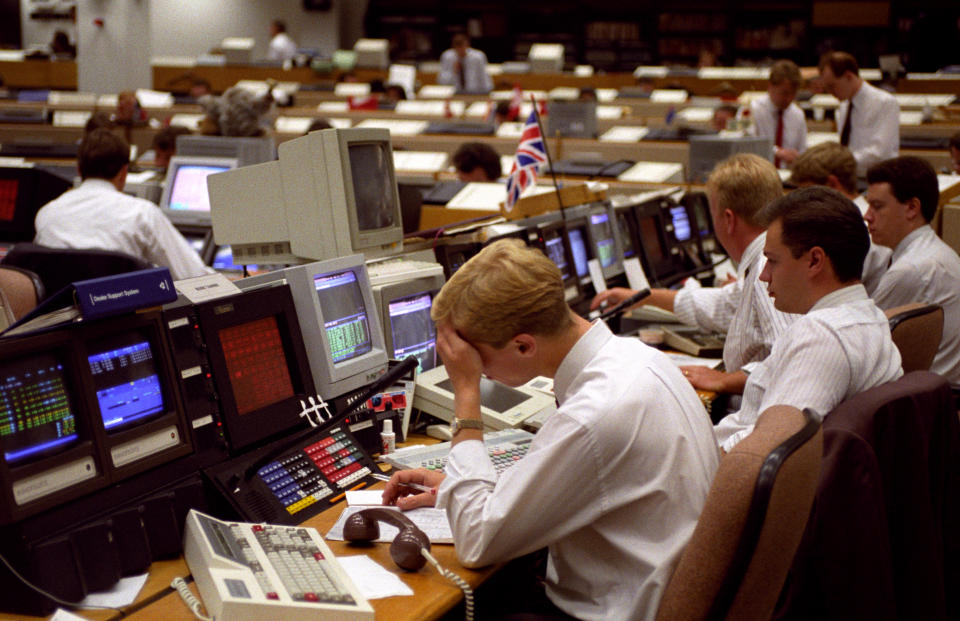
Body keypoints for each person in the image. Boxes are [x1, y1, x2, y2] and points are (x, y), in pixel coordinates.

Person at [383, 240, 719, 621]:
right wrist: (460, 488)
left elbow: (477, 542)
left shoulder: (592, 415)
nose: (476, 369)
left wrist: (466, 391)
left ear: (523, 345)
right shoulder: (637, 359)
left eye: (477, 360)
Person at [714, 186, 903, 452]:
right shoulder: (869, 317)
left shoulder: (821, 338)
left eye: (773, 261)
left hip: (723, 472)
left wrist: (696, 466)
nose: (764, 275)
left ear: (815, 261)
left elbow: (765, 450)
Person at [592, 154, 794, 396]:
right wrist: (640, 296)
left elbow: (789, 362)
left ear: (728, 220)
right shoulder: (764, 259)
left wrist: (724, 381)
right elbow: (720, 305)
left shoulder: (766, 264)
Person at [34, 129, 211, 281]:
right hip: (124, 318)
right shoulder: (142, 214)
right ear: (124, 172)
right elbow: (193, 275)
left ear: (79, 169)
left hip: (59, 318)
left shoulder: (47, 213)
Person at [865, 156, 960, 382]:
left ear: (911, 208)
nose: (867, 216)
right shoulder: (934, 251)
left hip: (924, 399)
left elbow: (863, 345)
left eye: (877, 206)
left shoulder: (911, 269)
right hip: (930, 391)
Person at [788, 141, 891, 294]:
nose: (804, 203)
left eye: (809, 193)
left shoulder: (855, 231)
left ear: (832, 184)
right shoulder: (847, 219)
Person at [818, 51, 899, 176]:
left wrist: (839, 161)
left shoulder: (885, 103)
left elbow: (880, 152)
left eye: (832, 86)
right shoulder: (844, 106)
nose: (830, 92)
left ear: (849, 76)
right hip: (849, 176)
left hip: (878, 178)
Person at [748, 59, 807, 168]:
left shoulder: (798, 114)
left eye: (793, 94)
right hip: (758, 173)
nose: (789, 99)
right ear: (770, 86)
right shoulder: (752, 109)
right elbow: (746, 146)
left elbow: (802, 150)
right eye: (784, 93)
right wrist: (777, 152)